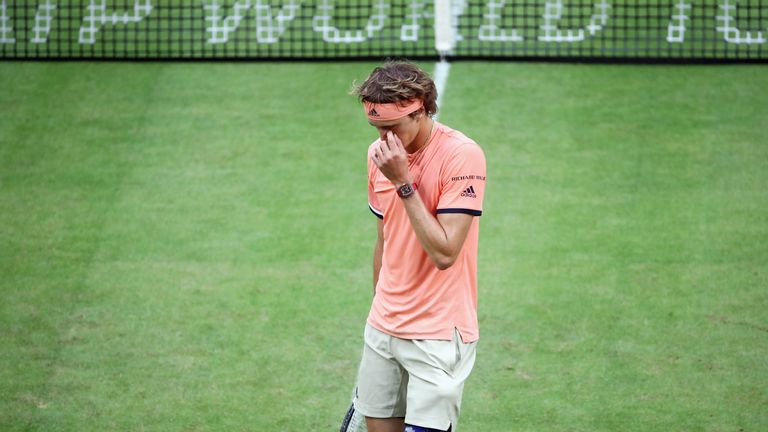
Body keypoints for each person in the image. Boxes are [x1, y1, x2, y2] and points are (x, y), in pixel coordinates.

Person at [352, 61, 487, 432]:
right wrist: (378, 313)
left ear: (422, 109)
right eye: (376, 128)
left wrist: (403, 182)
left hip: (437, 333)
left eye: (391, 127)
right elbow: (385, 238)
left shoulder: (462, 155)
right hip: (384, 326)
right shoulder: (376, 155)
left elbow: (445, 253)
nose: (383, 140)